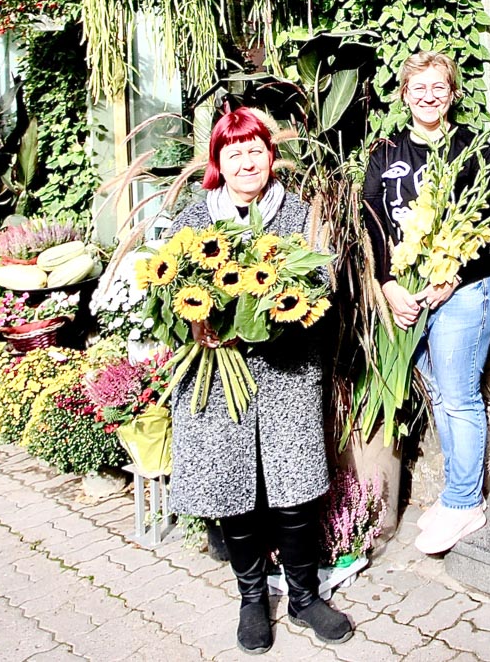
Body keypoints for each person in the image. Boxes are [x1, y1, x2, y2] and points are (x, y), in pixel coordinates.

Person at [163, 106, 352, 654]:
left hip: (287, 372)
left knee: (293, 492)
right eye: (234, 151)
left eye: (256, 150)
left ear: (271, 155)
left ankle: (303, 596)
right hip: (217, 379)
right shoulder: (192, 221)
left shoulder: (297, 215)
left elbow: (321, 282)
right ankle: (251, 600)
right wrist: (195, 322)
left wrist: (281, 313)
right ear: (218, 160)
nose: (247, 161)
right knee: (233, 493)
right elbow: (170, 292)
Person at [362, 51, 490, 555]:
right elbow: (373, 221)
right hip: (407, 295)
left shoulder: (471, 148)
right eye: (418, 87)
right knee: (441, 396)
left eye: (438, 87)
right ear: (404, 94)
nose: (428, 95)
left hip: (462, 291)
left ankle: (467, 503)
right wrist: (386, 284)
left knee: (460, 395)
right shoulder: (386, 151)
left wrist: (450, 277)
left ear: (452, 93)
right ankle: (455, 494)